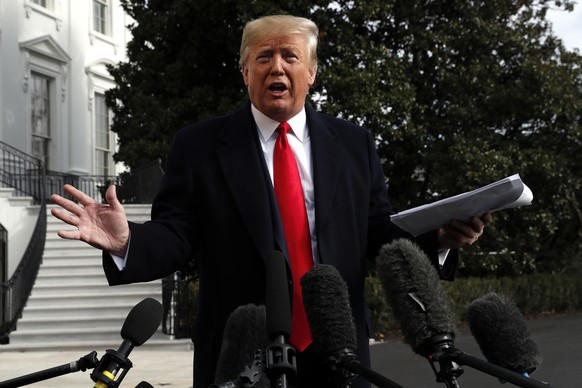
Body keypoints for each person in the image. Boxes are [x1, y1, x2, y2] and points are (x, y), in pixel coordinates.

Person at [50, 15, 491, 388]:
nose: (276, 67)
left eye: (289, 56)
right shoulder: (199, 146)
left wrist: (440, 239)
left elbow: (376, 233)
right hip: (240, 350)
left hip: (338, 348)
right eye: (263, 57)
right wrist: (129, 242)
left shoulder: (354, 144)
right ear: (245, 72)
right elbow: (178, 234)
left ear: (311, 71)